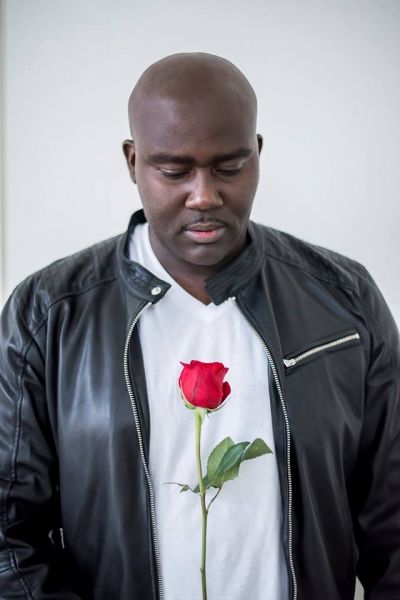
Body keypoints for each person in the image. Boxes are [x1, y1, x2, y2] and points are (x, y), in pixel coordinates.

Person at [0, 53, 399, 600]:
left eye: (229, 167)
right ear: (133, 161)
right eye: (174, 171)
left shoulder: (344, 299)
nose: (205, 196)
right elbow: (9, 532)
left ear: (257, 153)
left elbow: (392, 517)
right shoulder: (48, 314)